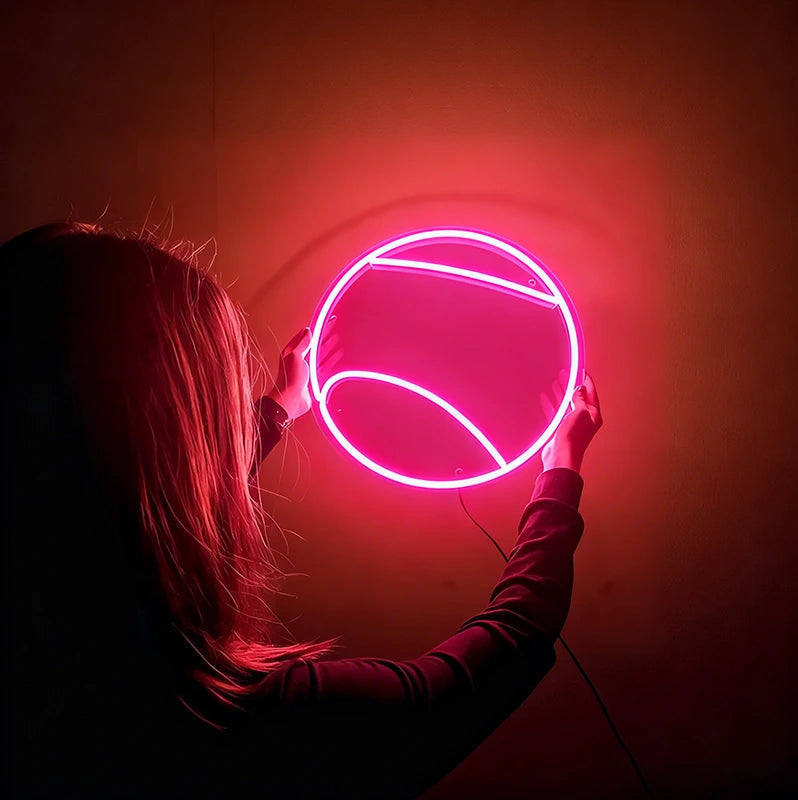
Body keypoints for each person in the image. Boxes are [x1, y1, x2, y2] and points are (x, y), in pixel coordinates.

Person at [1, 222, 603, 799]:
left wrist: (277, 411)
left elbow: (127, 497)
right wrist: (560, 470)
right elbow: (511, 645)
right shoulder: (255, 732)